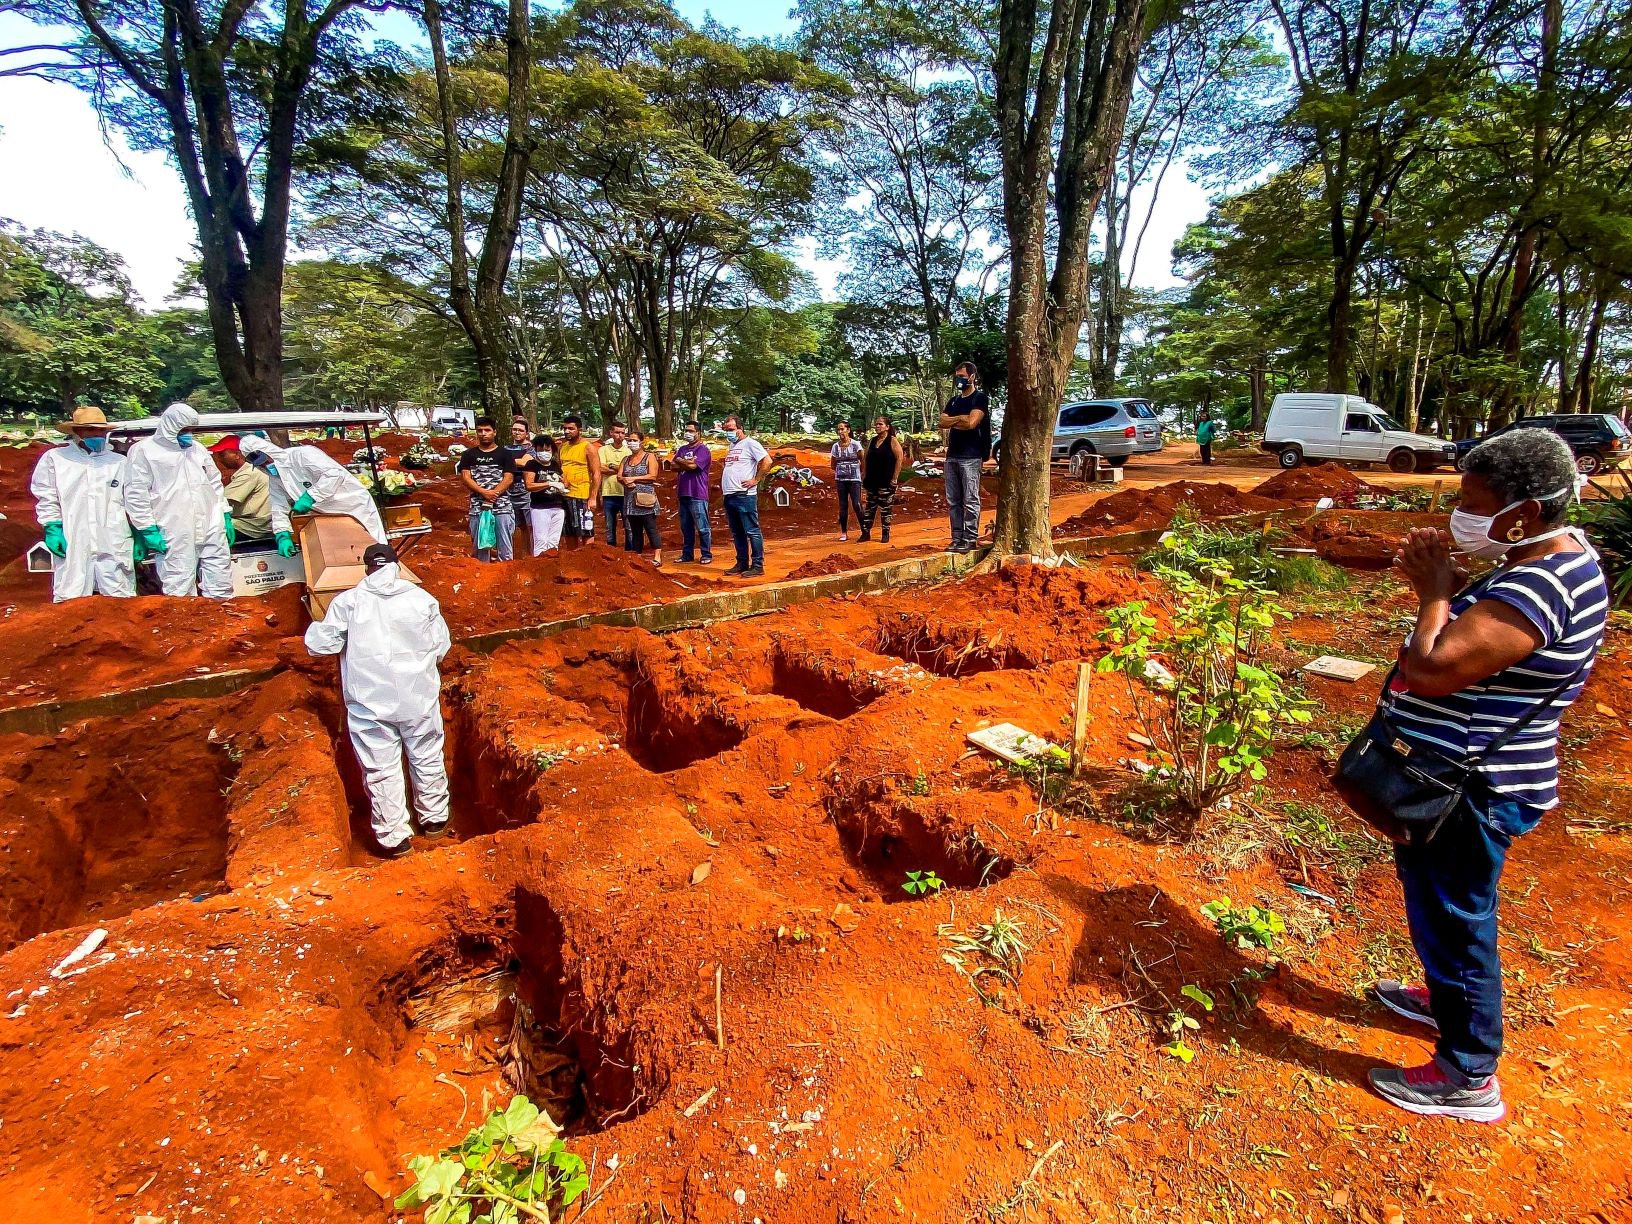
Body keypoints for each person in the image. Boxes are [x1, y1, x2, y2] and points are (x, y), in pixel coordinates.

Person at [1364, 428, 1606, 1121]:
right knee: (1442, 902)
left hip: (1473, 787)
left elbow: (1433, 669)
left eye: (1472, 501)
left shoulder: (1542, 581)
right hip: (1464, 778)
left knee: (1457, 911)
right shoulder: (1559, 558)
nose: (1457, 512)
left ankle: (1468, 1072)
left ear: (1523, 515)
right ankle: (1445, 996)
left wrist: (1435, 593)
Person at [303, 542, 452, 857]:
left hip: (370, 703)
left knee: (381, 767)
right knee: (426, 755)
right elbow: (441, 646)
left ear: (367, 568)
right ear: (397, 567)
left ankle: (395, 838)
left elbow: (320, 645)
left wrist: (314, 626)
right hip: (418, 698)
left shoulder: (349, 603)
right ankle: (434, 819)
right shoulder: (422, 599)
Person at [124, 403, 233, 598]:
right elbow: (136, 491)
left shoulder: (197, 449)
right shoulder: (144, 450)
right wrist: (147, 528)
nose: (188, 434)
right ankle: (186, 627)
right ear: (169, 426)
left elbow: (214, 483)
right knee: (179, 583)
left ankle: (221, 622)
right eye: (184, 430)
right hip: (173, 526)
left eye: (191, 430)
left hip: (211, 522)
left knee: (220, 578)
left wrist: (224, 513)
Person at [30, 404, 135, 601]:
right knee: (71, 594)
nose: (97, 434)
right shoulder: (56, 459)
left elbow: (133, 499)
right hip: (74, 535)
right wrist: (52, 526)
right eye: (90, 430)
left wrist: (138, 531)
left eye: (100, 430)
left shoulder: (119, 462)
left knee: (120, 596)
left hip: (113, 536)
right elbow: (46, 495)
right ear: (76, 432)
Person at [237, 434, 388, 553]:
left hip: (353, 505)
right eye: (261, 465)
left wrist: (310, 496)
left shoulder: (302, 455)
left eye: (265, 460)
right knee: (343, 551)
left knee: (373, 546)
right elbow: (278, 507)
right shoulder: (275, 478)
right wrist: (282, 534)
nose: (265, 465)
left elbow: (335, 474)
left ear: (269, 450)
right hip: (325, 514)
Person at [938, 360, 990, 552]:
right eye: (957, 376)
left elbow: (972, 423)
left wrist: (956, 420)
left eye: (962, 376)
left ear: (972, 377)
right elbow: (942, 421)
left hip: (972, 456)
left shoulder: (979, 398)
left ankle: (970, 538)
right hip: (952, 456)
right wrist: (961, 418)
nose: (959, 380)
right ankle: (956, 537)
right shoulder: (954, 401)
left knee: (970, 498)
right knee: (953, 500)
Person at [455, 416, 520, 562]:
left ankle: (507, 576)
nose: (483, 433)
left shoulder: (505, 454)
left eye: (487, 430)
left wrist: (493, 494)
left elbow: (508, 478)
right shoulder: (468, 455)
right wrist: (484, 492)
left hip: (502, 506)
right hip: (478, 507)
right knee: (480, 547)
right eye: (480, 431)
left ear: (494, 432)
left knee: (505, 546)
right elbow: (466, 477)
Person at [720, 415, 770, 577]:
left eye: (731, 430)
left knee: (751, 530)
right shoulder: (732, 447)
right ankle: (742, 563)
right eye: (726, 430)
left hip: (744, 495)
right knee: (737, 532)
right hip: (730, 495)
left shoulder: (750, 444)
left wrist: (756, 480)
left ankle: (757, 565)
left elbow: (767, 461)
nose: (728, 433)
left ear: (740, 429)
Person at [207, 437, 272, 541]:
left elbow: (222, 500)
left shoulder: (249, 472)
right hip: (251, 522)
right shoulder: (248, 470)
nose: (218, 458)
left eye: (222, 454)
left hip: (252, 526)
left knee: (206, 528)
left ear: (237, 455)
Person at [619, 427, 663, 564]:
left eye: (635, 440)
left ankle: (657, 557)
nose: (631, 443)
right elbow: (619, 475)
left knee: (650, 527)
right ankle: (637, 556)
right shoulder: (626, 459)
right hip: (630, 500)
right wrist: (625, 480)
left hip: (645, 499)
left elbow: (653, 476)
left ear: (642, 442)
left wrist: (633, 479)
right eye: (629, 440)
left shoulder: (649, 457)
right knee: (635, 529)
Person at [672, 420, 713, 564]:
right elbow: (672, 466)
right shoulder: (682, 449)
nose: (687, 433)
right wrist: (684, 462)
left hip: (697, 493)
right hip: (683, 493)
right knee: (686, 527)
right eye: (686, 430)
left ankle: (706, 554)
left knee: (702, 527)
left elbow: (693, 466)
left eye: (690, 431)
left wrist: (680, 461)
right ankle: (687, 554)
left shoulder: (703, 450)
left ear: (698, 433)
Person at [859, 416, 905, 544]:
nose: (877, 426)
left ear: (887, 427)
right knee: (869, 508)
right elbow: (866, 458)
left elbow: (899, 459)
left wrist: (894, 478)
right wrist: (864, 475)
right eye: (876, 424)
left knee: (886, 509)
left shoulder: (892, 441)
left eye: (880, 424)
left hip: (886, 480)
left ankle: (885, 533)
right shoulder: (872, 441)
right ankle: (866, 532)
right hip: (872, 480)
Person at [557, 414, 600, 548]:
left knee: (586, 530)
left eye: (571, 428)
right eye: (565, 428)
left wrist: (593, 497)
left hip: (582, 495)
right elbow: (559, 469)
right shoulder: (562, 447)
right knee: (569, 531)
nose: (567, 431)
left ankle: (588, 559)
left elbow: (596, 473)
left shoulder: (588, 447)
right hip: (565, 495)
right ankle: (573, 561)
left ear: (579, 430)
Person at [521, 433, 568, 555]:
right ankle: (538, 566)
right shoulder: (532, 465)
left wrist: (562, 482)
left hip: (558, 507)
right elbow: (529, 485)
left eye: (547, 449)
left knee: (553, 541)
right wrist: (549, 484)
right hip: (540, 508)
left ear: (552, 450)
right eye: (540, 449)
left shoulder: (554, 465)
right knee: (541, 540)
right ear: (535, 449)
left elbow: (564, 481)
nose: (544, 452)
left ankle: (551, 566)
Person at [504, 419, 536, 552]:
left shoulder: (531, 449)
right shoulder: (505, 448)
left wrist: (504, 460)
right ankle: (524, 554)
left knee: (532, 526)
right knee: (520, 526)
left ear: (526, 433)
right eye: (514, 429)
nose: (517, 432)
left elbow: (524, 463)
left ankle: (533, 554)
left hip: (526, 491)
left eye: (520, 430)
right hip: (508, 490)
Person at [598, 421, 631, 547]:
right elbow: (600, 468)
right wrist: (620, 468)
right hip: (609, 493)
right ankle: (611, 549)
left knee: (628, 525)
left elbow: (630, 471)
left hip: (626, 493)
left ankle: (630, 550)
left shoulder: (628, 451)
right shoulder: (603, 450)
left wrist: (611, 466)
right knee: (609, 525)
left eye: (622, 433)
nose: (620, 435)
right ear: (611, 433)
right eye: (617, 432)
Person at [830, 421, 864, 541]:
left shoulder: (855, 444)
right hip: (840, 479)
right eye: (838, 430)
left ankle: (864, 530)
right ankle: (844, 532)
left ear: (848, 430)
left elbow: (862, 459)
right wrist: (841, 470)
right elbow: (833, 463)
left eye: (842, 429)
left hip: (854, 479)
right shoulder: (835, 446)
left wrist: (860, 472)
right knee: (843, 505)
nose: (840, 432)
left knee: (857, 504)